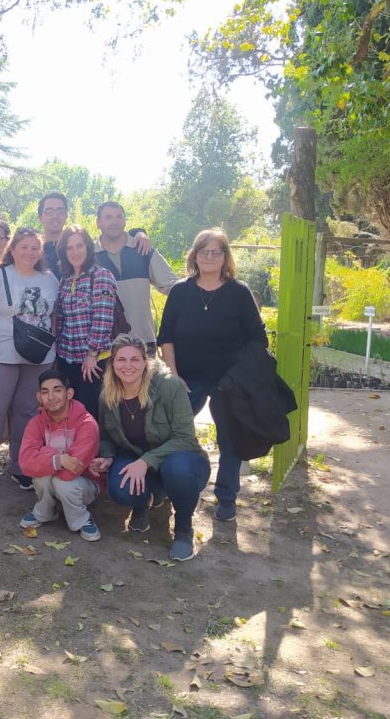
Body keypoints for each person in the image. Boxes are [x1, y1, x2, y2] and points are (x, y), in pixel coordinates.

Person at [157, 228, 268, 522]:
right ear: (194, 256)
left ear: (225, 257)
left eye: (216, 251)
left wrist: (240, 374)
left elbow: (258, 338)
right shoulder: (180, 291)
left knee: (229, 438)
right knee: (170, 431)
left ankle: (227, 497)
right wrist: (173, 374)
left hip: (228, 381)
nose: (209, 256)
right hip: (187, 378)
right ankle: (166, 486)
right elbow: (165, 336)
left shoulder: (239, 293)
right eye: (203, 251)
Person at [90, 334, 210, 561]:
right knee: (119, 489)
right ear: (112, 363)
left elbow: (185, 437)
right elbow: (106, 437)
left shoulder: (170, 386)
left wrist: (146, 461)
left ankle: (183, 528)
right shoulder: (108, 395)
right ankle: (144, 501)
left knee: (177, 469)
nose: (128, 366)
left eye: (135, 359)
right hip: (135, 456)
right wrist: (106, 457)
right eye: (121, 360)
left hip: (180, 458)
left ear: (146, 361)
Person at [0, 227, 59, 494]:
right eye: (24, 247)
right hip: (0, 355)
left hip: (39, 358)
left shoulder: (50, 279)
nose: (29, 252)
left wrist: (52, 353)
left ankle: (21, 466)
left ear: (40, 251)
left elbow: (53, 318)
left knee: (28, 413)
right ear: (13, 249)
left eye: (34, 248)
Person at [17, 370, 103, 541]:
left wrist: (43, 458)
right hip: (57, 476)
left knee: (62, 481)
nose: (51, 397)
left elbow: (71, 470)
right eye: (45, 392)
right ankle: (46, 512)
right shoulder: (35, 423)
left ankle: (81, 519)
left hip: (85, 483)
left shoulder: (87, 423)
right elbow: (25, 464)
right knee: (41, 476)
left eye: (57, 390)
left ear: (69, 393)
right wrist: (59, 459)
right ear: (39, 397)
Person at [94, 200, 176, 353]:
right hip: (104, 348)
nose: (114, 221)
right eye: (108, 217)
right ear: (98, 222)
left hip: (143, 343)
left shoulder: (143, 249)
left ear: (125, 221)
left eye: (119, 217)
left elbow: (173, 287)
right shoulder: (90, 257)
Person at [55, 225, 117, 421]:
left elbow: (103, 318)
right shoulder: (65, 280)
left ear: (88, 247)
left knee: (89, 412)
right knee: (70, 412)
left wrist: (92, 354)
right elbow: (63, 319)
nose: (75, 252)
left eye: (79, 246)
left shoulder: (101, 276)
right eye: (69, 248)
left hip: (94, 360)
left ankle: (94, 452)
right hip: (68, 358)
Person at [37, 191, 69, 278]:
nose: (55, 216)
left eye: (60, 211)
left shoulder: (75, 246)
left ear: (66, 215)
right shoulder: (33, 249)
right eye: (49, 211)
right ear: (40, 217)